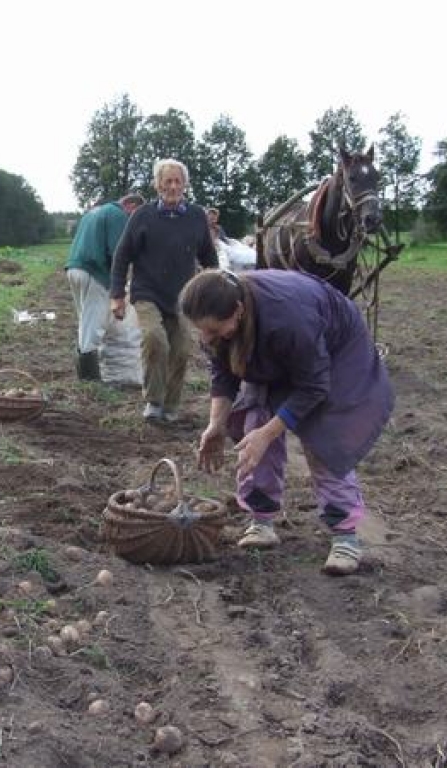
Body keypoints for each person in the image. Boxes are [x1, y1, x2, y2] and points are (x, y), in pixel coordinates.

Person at [178, 269, 394, 575]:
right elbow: (223, 373)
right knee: (253, 424)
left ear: (238, 311)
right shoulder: (219, 321)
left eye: (213, 329)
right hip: (275, 346)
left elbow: (314, 386)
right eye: (201, 330)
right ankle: (262, 521)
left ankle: (345, 536)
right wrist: (216, 424)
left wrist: (269, 434)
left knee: (324, 441)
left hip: (333, 355)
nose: (206, 337)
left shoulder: (288, 319)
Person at [110, 159, 218, 422]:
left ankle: (171, 405)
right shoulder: (142, 215)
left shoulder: (196, 216)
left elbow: (209, 257)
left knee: (180, 349)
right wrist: (117, 295)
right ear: (157, 185)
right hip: (147, 292)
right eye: (167, 181)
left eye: (178, 181)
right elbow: (122, 255)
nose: (173, 186)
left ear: (185, 185)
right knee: (155, 339)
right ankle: (154, 401)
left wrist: (213, 290)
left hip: (182, 296)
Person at [65, 193, 145, 381]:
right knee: (95, 322)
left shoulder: (93, 212)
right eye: (136, 214)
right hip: (95, 272)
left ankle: (85, 370)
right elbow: (118, 251)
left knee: (85, 318)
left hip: (74, 268)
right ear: (130, 205)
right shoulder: (118, 215)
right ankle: (89, 378)